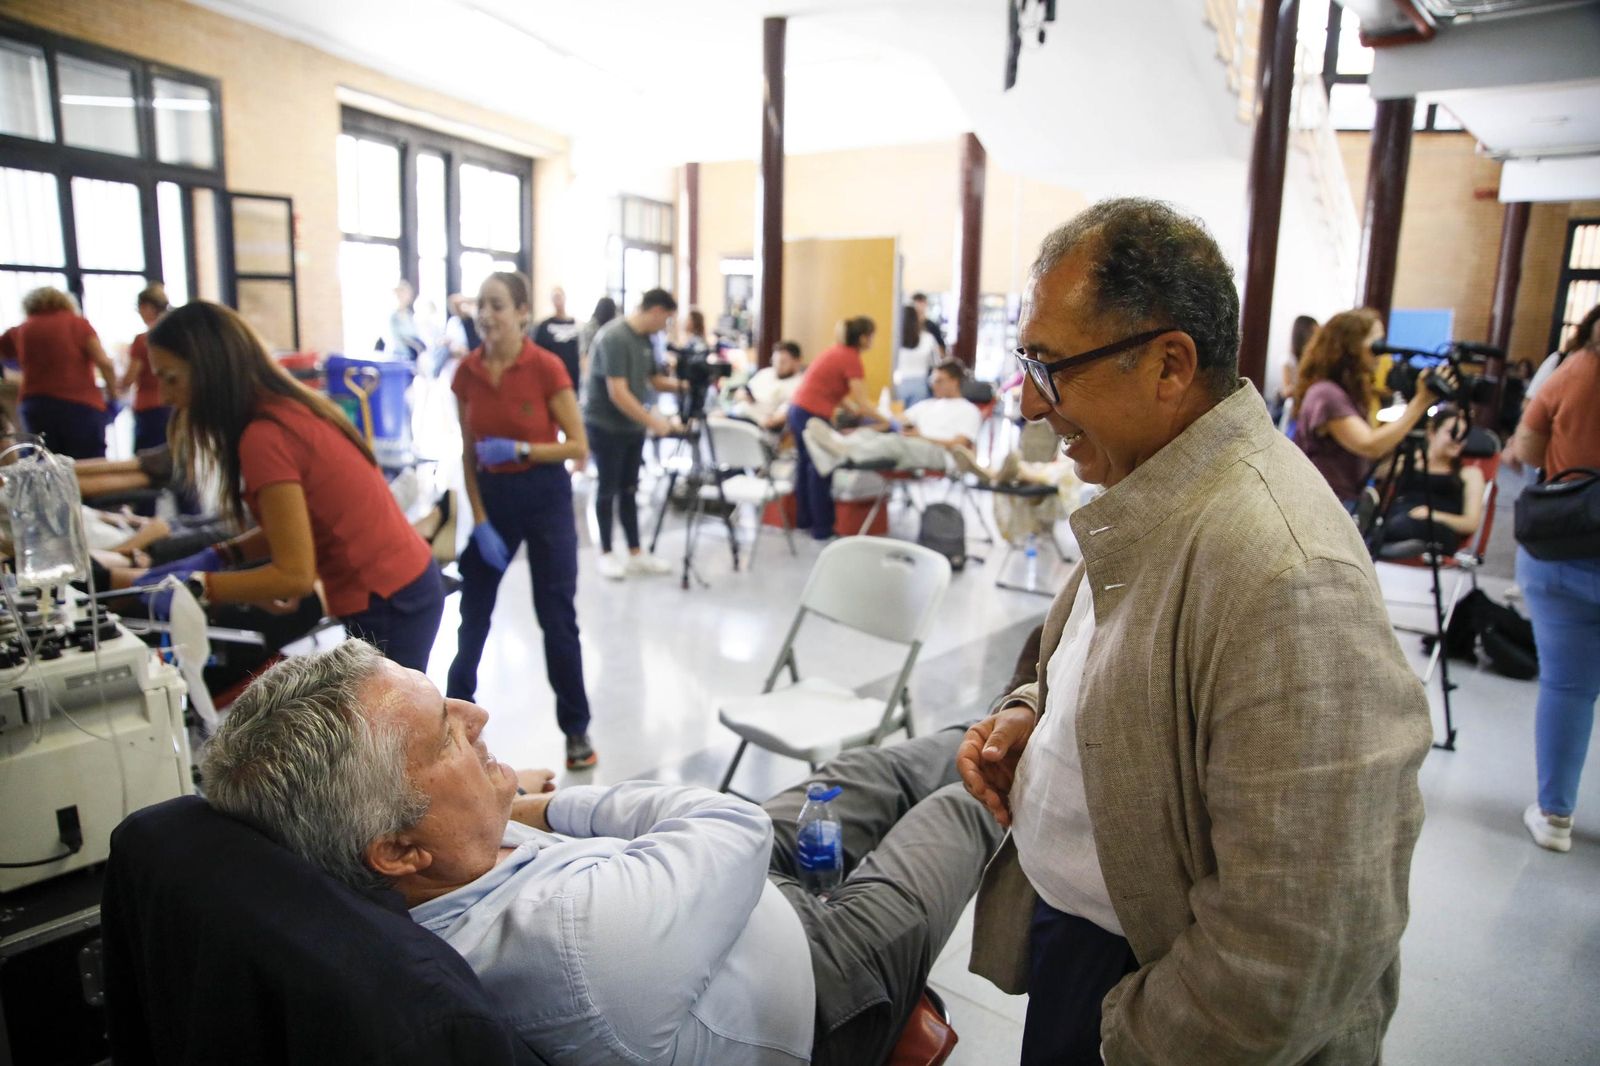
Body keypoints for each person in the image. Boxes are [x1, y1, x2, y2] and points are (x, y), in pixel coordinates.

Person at [956, 198, 1431, 1064]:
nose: (1028, 402)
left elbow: (1298, 940)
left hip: (1163, 1009)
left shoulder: (1288, 573)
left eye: (1051, 367)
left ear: (1169, 364)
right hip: (1096, 954)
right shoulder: (1156, 492)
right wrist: (1034, 714)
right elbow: (1115, 657)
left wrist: (1129, 1037)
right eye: (1028, 363)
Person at [199, 641, 1004, 1066]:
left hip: (717, 900)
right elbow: (731, 828)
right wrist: (536, 806)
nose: (477, 715)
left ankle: (1012, 710)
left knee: (879, 769)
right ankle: (1035, 738)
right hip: (825, 982)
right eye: (444, 734)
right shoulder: (569, 942)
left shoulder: (428, 858)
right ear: (400, 849)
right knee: (968, 804)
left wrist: (493, 804)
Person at [139, 301, 444, 670]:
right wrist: (224, 556)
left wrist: (199, 586)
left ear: (210, 371)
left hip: (391, 597)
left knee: (392, 707)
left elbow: (294, 575)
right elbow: (295, 526)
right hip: (400, 587)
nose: (165, 396)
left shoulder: (265, 437)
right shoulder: (285, 411)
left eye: (171, 378)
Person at [449, 271, 596, 772]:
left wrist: (522, 449)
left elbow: (578, 446)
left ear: (522, 313)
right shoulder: (467, 372)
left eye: (497, 305)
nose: (486, 315)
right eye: (481, 305)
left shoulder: (545, 366)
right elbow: (468, 453)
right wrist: (480, 519)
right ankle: (454, 719)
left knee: (557, 616)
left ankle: (576, 729)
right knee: (473, 611)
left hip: (545, 494)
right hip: (493, 498)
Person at [1510, 308, 1600, 854]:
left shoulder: (1574, 370)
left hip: (1566, 547)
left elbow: (1526, 448)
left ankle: (1555, 816)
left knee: (1568, 687)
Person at [1291, 307, 1450, 509]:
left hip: (1338, 501)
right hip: (1319, 505)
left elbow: (1363, 461)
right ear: (1351, 346)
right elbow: (1368, 445)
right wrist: (1420, 402)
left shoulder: (1350, 395)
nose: (1382, 353)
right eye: (1377, 344)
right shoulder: (1326, 394)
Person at [582, 288, 678, 580]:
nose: (665, 326)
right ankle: (606, 553)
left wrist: (686, 384)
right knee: (607, 489)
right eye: (666, 319)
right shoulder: (614, 337)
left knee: (630, 489)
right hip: (606, 426)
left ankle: (636, 552)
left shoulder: (645, 339)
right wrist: (654, 422)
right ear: (656, 311)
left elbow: (653, 379)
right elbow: (618, 392)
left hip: (632, 427)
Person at [788, 316, 890, 541]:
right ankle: (822, 529)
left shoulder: (835, 352)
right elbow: (863, 403)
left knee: (806, 466)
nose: (872, 341)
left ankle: (805, 521)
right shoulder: (851, 358)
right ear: (863, 338)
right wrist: (888, 422)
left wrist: (853, 410)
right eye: (871, 336)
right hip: (811, 415)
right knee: (821, 468)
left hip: (798, 410)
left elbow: (834, 390)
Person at [801, 360, 983, 476]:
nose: (933, 385)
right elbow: (893, 422)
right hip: (913, 444)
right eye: (932, 381)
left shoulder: (969, 410)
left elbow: (959, 445)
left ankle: (838, 452)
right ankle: (838, 445)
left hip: (941, 454)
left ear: (954, 381)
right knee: (871, 436)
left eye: (939, 381)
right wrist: (859, 430)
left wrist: (922, 437)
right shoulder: (927, 405)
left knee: (894, 442)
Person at [0, 286, 116, 459]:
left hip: (36, 406)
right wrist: (113, 393)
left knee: (44, 464)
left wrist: (10, 376)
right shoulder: (78, 324)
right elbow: (104, 363)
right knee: (88, 462)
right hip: (80, 405)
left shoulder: (20, 330)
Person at [1376, 405, 1485, 554]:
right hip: (1398, 517)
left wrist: (1432, 515)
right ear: (1432, 433)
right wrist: (1408, 457)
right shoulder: (1411, 462)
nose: (1458, 440)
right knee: (1389, 521)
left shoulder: (1469, 474)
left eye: (1463, 435)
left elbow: (1470, 523)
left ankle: (1375, 540)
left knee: (1401, 525)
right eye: (1452, 432)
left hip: (1436, 529)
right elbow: (1379, 475)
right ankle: (1379, 540)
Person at [116, 283, 173, 451]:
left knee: (148, 458)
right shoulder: (176, 337)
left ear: (148, 307)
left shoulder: (143, 340)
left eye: (139, 309)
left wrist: (117, 385)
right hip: (173, 406)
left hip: (149, 408)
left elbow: (130, 378)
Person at [733, 339, 804, 432]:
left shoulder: (800, 385)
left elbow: (781, 415)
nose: (778, 366)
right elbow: (740, 393)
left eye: (783, 362)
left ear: (797, 361)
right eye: (774, 361)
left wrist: (773, 420)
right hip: (738, 414)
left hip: (757, 426)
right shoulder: (765, 373)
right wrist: (743, 395)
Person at [1271, 313, 1317, 427]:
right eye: (1313, 333)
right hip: (1292, 409)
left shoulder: (1315, 359)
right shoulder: (1288, 360)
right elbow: (1286, 390)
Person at [530, 285, 581, 386]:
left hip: (573, 376)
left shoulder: (576, 325)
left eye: (559, 296)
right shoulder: (544, 326)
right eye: (555, 297)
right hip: (551, 376)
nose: (558, 301)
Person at [894, 304, 940, 406]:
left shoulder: (894, 339)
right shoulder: (928, 338)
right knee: (917, 414)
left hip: (898, 384)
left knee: (898, 413)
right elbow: (936, 363)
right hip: (921, 383)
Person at [577, 296, 618, 384]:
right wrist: (587, 379)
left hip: (609, 372)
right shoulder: (590, 328)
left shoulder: (614, 328)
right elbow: (585, 355)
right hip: (594, 372)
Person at [388, 280, 427, 364]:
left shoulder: (409, 315)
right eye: (403, 294)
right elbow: (399, 338)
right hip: (399, 356)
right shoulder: (394, 316)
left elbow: (415, 334)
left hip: (412, 357)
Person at [910, 292, 947, 356]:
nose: (918, 306)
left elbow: (941, 349)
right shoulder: (908, 326)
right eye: (916, 303)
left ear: (925, 304)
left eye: (921, 303)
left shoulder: (932, 326)